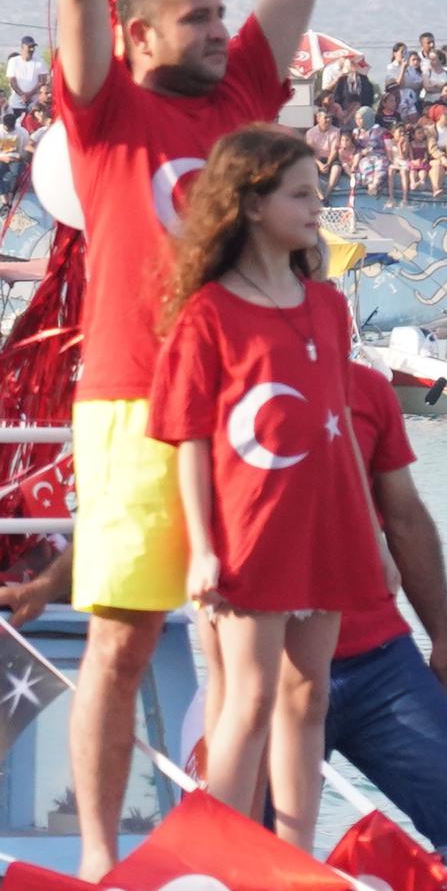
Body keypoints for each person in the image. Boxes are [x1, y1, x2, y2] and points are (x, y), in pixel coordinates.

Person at [34, 0, 360, 872]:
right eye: (196, 19)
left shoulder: (249, 89)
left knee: (252, 659)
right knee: (119, 643)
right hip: (130, 402)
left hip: (241, 404)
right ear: (133, 37)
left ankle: (252, 854)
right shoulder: (106, 107)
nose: (224, 32)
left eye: (222, 15)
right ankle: (94, 856)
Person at [148, 124, 389, 850]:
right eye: (302, 194)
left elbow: (338, 423)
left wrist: (370, 533)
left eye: (319, 191)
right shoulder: (207, 314)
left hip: (327, 519)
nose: (319, 206)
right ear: (252, 204)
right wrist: (203, 548)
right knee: (246, 702)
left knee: (307, 695)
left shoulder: (327, 305)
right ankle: (220, 860)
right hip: (249, 525)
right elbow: (187, 436)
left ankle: (293, 860)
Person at [329, 351, 447, 871]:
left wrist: (444, 639)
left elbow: (405, 518)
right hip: (276, 657)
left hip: (380, 660)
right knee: (259, 838)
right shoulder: (229, 386)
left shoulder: (366, 390)